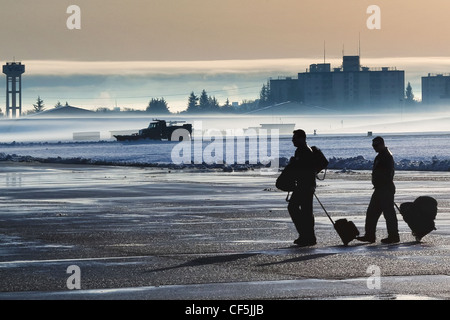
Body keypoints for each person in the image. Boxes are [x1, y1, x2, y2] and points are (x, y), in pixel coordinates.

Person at [357, 136, 399, 244]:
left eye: (376, 145)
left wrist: (383, 184)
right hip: (380, 189)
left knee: (388, 214)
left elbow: (388, 173)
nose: (374, 148)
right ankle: (370, 235)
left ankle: (394, 236)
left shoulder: (386, 156)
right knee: (372, 213)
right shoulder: (381, 156)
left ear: (381, 144)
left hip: (385, 189)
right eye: (373, 146)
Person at [288, 129, 317, 246]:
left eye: (294, 139)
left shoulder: (305, 151)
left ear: (302, 138)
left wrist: (310, 185)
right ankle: (307, 236)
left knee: (295, 208)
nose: (293, 141)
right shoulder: (300, 151)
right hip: (303, 185)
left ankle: (306, 235)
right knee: (305, 211)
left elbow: (309, 170)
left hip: (305, 186)